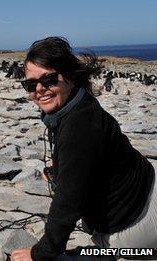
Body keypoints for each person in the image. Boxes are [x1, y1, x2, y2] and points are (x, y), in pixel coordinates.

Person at [10, 37, 157, 261]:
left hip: (133, 222)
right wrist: (59, 170)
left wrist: (41, 253)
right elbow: (85, 159)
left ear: (69, 76)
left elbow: (68, 201)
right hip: (145, 188)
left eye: (49, 79)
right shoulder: (78, 105)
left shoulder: (79, 126)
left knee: (99, 251)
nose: (40, 89)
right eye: (31, 84)